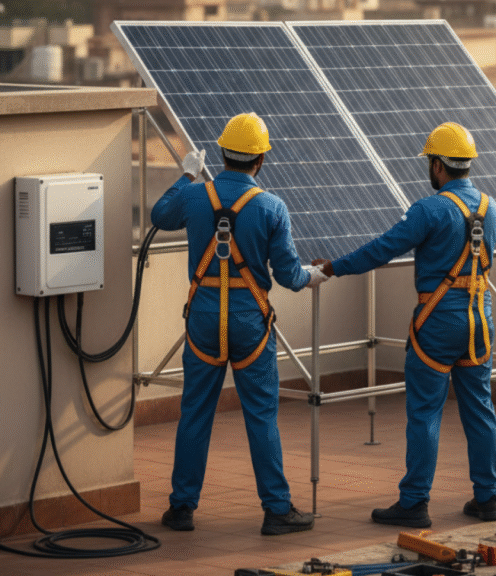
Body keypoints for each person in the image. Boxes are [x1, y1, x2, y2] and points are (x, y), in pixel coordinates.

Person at [312, 122, 496, 528]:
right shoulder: (492, 208)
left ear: (438, 166)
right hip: (479, 322)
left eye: (430, 162)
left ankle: (414, 503)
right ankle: (488, 499)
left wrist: (333, 267)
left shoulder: (429, 210)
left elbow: (383, 249)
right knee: (480, 409)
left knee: (425, 412)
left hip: (438, 322)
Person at [151, 112, 328, 534]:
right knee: (261, 415)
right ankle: (276, 509)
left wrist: (187, 175)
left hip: (204, 320)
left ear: (223, 155)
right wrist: (314, 276)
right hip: (250, 322)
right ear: (260, 160)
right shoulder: (271, 207)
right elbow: (289, 276)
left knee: (195, 413)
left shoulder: (195, 196)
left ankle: (181, 508)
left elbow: (160, 215)